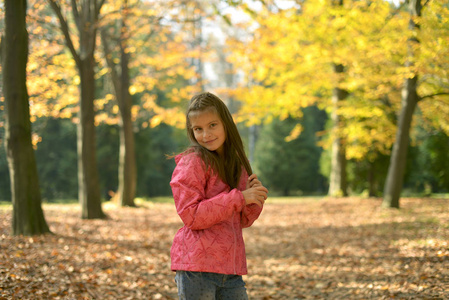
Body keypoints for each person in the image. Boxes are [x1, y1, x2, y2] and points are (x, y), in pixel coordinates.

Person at [170, 92, 268, 299]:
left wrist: (254, 199)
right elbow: (192, 215)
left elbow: (242, 220)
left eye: (212, 125)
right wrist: (240, 198)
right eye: (198, 129)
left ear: (226, 124)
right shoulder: (193, 162)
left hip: (230, 270)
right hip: (197, 268)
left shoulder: (236, 164)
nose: (206, 134)